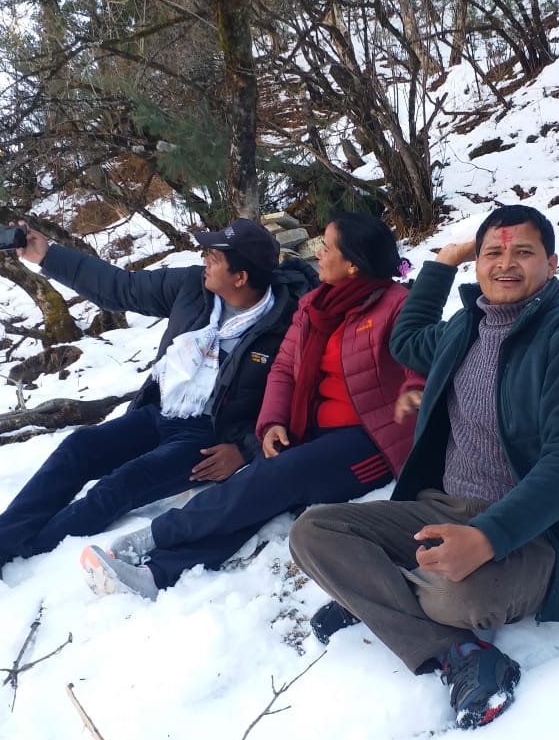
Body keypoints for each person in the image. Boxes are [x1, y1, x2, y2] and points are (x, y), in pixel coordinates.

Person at [288, 204, 559, 729]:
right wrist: (443, 263)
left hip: (533, 533)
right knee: (313, 532)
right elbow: (405, 340)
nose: (505, 264)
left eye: (523, 252)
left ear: (552, 264)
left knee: (452, 598)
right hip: (440, 509)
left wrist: (488, 538)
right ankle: (457, 651)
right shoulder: (465, 328)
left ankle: (380, 596)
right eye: (492, 253)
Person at [0, 218, 316, 615]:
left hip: (209, 437)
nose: (204, 260)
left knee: (119, 486)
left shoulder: (288, 324)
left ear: (240, 277)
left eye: (214, 257)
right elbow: (121, 287)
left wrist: (244, 450)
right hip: (162, 411)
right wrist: (47, 255)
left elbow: (298, 400)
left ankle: (18, 554)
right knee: (79, 447)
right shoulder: (194, 287)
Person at [79, 212, 424, 598]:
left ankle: (155, 536)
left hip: (370, 442)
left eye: (326, 248)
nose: (318, 253)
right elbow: (284, 369)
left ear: (353, 264)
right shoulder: (314, 305)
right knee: (257, 491)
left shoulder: (397, 305)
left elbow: (422, 359)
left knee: (273, 478)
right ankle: (156, 575)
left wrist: (414, 388)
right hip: (312, 429)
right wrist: (272, 421)